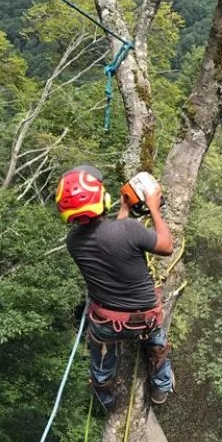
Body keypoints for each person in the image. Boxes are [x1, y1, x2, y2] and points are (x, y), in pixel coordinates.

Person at [56, 164, 174, 409]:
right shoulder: (129, 229)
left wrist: (123, 210)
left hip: (107, 323)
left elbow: (110, 240)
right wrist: (152, 205)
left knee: (101, 353)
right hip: (144, 320)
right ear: (101, 199)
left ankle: (106, 395)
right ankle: (161, 387)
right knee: (157, 344)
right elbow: (165, 246)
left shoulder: (73, 242)